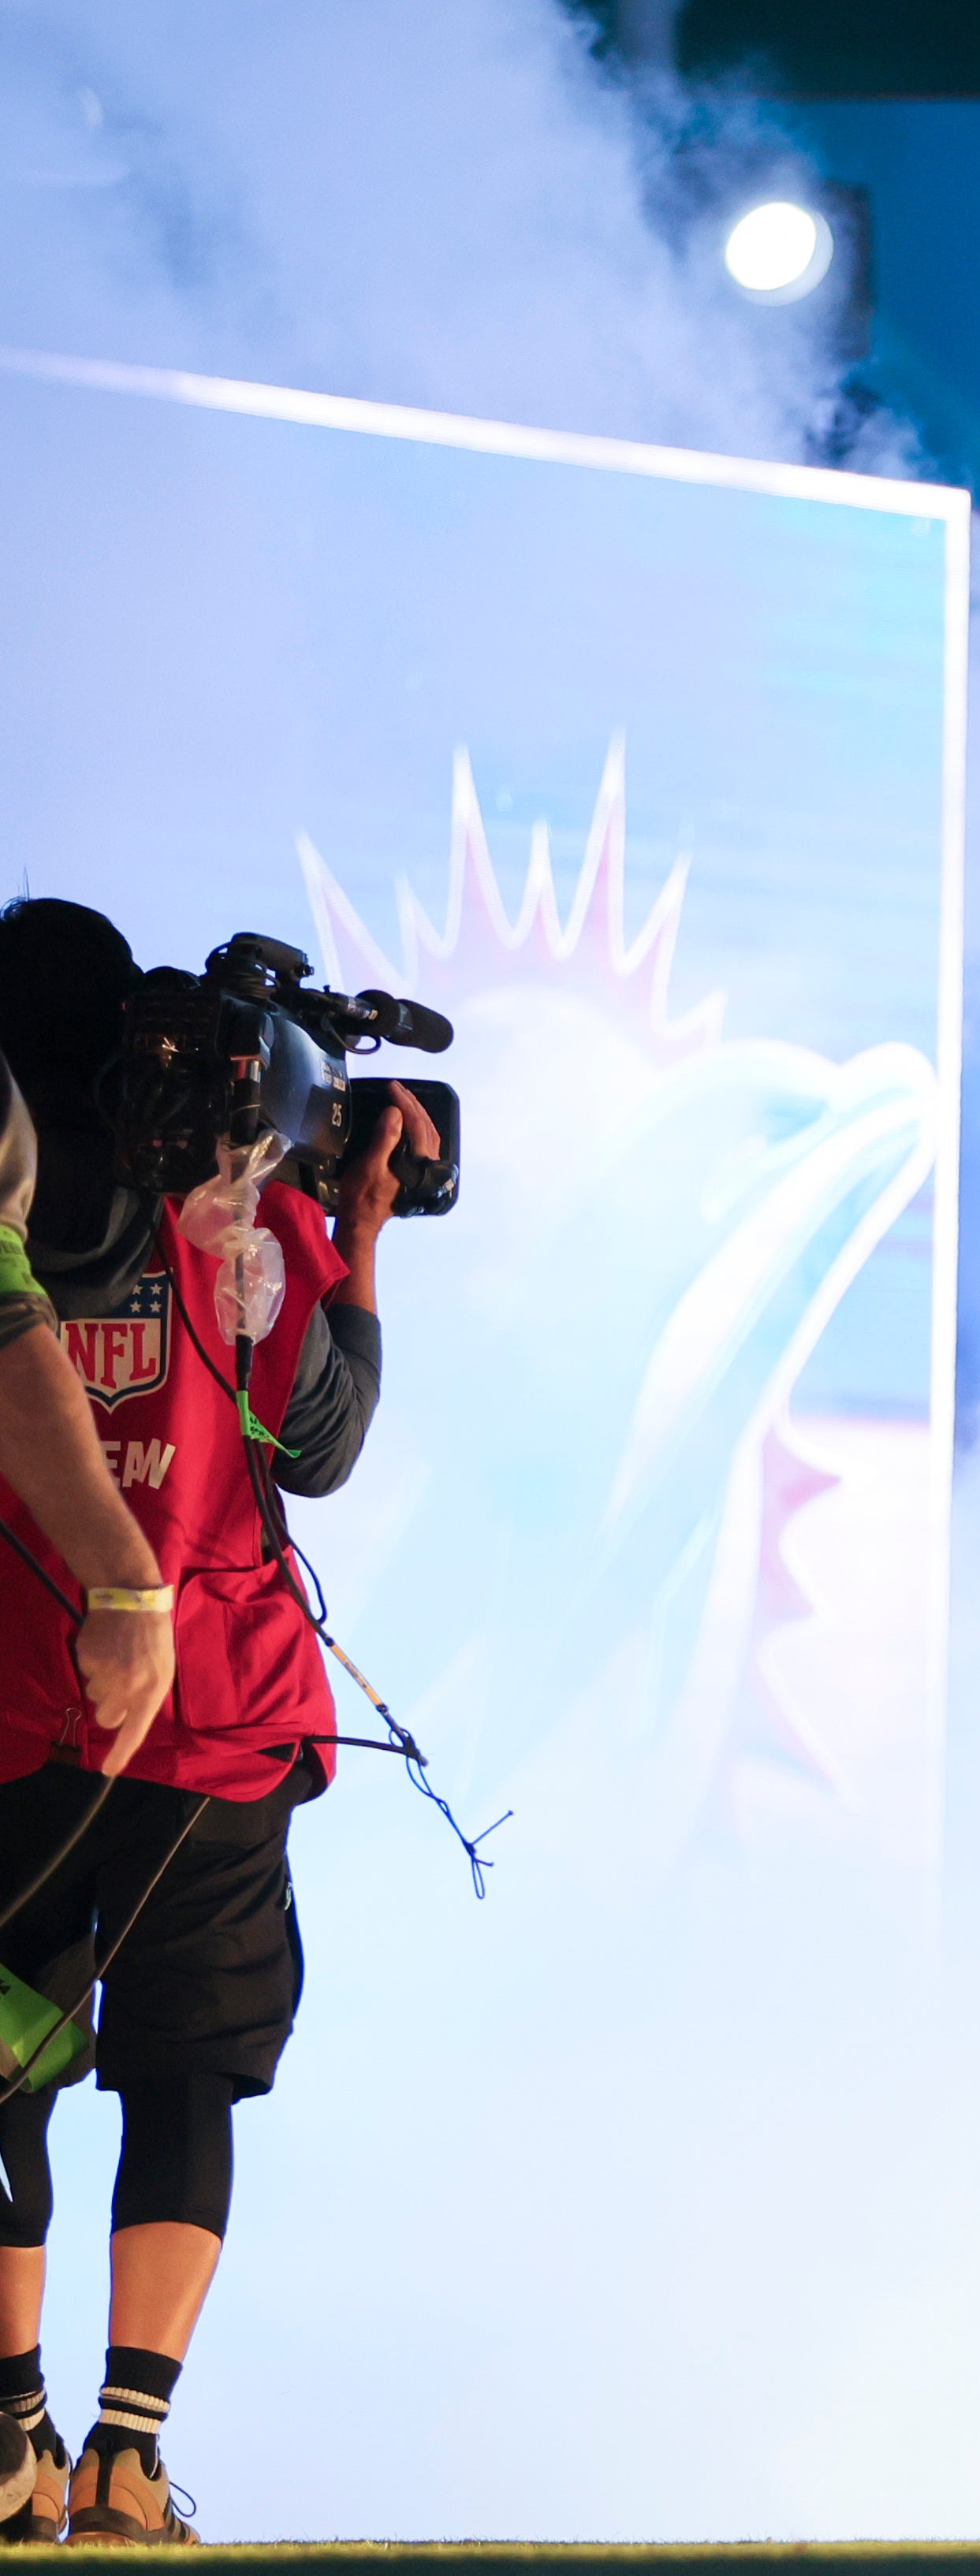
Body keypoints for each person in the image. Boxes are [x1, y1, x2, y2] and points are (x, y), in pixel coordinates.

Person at [0, 899, 421, 2546]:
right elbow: (317, 1440)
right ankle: (124, 2454)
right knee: (185, 2075)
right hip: (220, 1723)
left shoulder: (21, 1218)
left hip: (24, 1703)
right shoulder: (244, 1221)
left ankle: (10, 2435)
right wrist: (351, 1223)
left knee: (6, 2067)